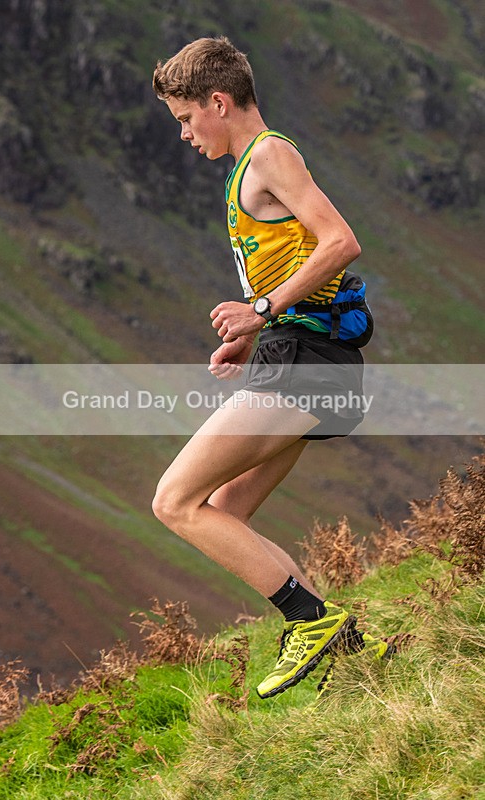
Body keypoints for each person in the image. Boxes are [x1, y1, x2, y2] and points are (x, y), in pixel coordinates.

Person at [151, 36, 387, 699]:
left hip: (311, 366)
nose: (185, 135)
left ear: (217, 102)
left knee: (173, 501)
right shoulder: (249, 168)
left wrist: (260, 309)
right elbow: (301, 265)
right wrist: (258, 335)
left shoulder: (270, 156)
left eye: (186, 119)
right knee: (223, 510)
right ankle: (348, 651)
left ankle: (311, 622)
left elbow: (342, 240)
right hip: (297, 356)